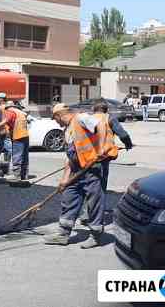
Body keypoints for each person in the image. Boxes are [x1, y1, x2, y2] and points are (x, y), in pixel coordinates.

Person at [43, 104, 115, 249]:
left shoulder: (80, 118)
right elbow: (70, 157)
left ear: (60, 115)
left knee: (94, 203)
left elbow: (100, 125)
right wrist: (64, 179)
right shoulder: (67, 130)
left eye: (55, 119)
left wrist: (100, 147)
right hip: (77, 170)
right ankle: (62, 234)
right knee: (69, 198)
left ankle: (95, 235)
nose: (56, 122)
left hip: (92, 168)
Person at [92, 99, 133, 192]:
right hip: (103, 156)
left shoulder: (89, 118)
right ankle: (98, 204)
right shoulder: (109, 118)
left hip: (87, 156)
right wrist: (128, 144)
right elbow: (123, 134)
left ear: (94, 109)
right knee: (101, 185)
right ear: (106, 109)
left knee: (91, 185)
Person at [0, 100, 29, 181]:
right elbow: (25, 116)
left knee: (17, 156)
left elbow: (7, 120)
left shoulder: (10, 111)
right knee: (24, 156)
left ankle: (17, 176)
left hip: (18, 136)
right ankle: (24, 175)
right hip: (25, 135)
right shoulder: (20, 112)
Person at [0, 92, 12, 163]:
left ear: (1, 99)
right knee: (8, 149)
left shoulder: (0, 108)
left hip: (2, 132)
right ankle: (6, 165)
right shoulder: (9, 108)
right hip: (8, 131)